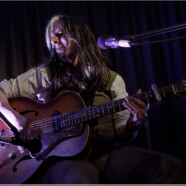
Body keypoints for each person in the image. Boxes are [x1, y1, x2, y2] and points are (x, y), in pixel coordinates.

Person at [0, 14, 185, 184]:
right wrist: (16, 119)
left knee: (171, 167)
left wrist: (133, 123)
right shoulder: (46, 74)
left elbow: (122, 134)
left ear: (79, 35)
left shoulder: (112, 80)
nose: (54, 40)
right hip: (67, 160)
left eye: (59, 34)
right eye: (51, 37)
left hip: (107, 155)